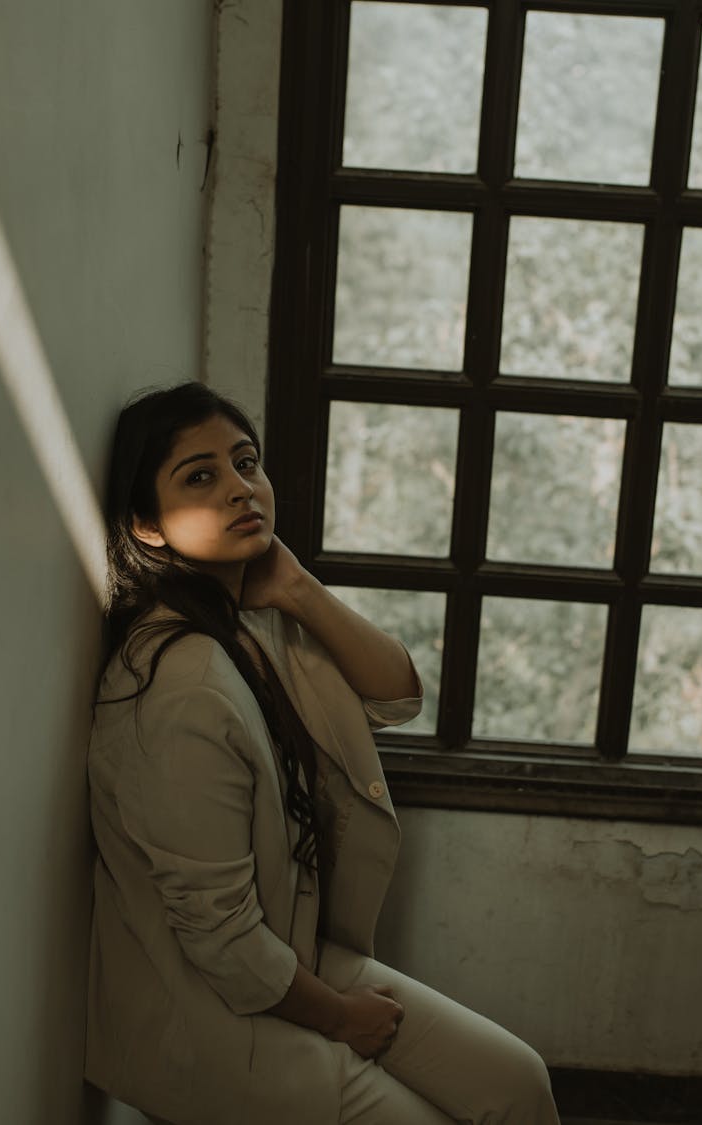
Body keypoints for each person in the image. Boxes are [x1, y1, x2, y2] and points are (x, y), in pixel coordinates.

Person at [85, 381, 561, 1125]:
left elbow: (395, 694)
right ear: (147, 525)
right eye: (201, 476)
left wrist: (300, 588)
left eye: (248, 463)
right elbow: (220, 938)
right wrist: (342, 1017)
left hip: (291, 947)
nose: (242, 489)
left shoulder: (244, 620)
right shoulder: (179, 692)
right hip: (213, 1013)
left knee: (519, 1083)